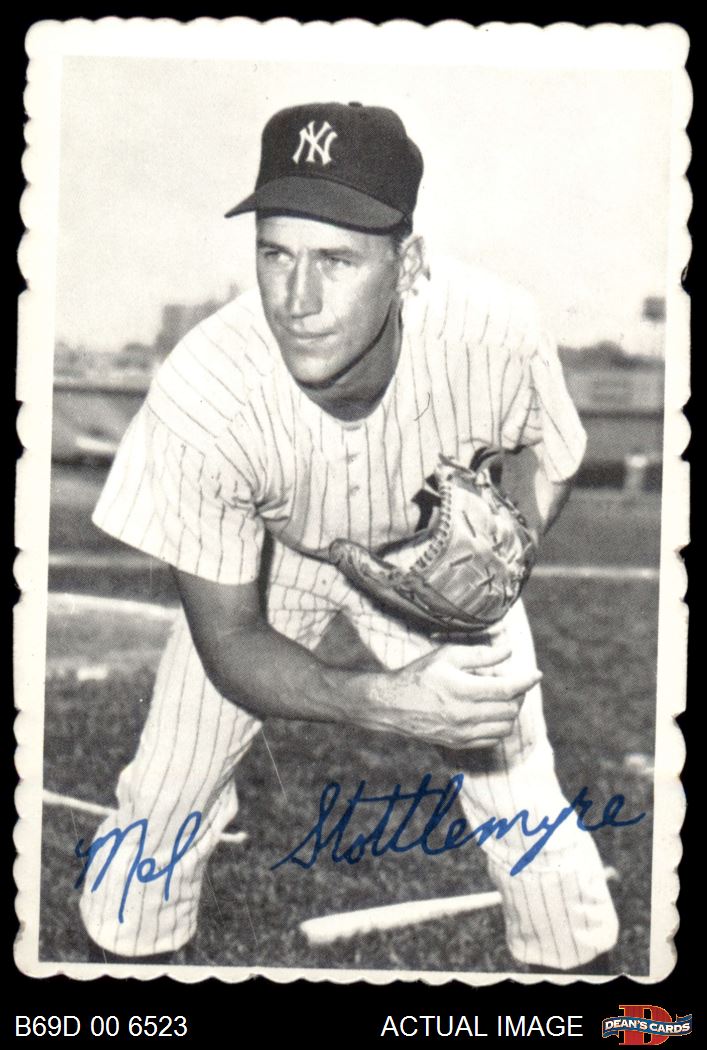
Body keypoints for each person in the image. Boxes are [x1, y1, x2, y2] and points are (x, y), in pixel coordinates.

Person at [79, 101, 618, 970]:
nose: (296, 299)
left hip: (426, 561)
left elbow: (542, 454)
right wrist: (378, 699)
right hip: (273, 560)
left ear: (407, 264)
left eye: (335, 259)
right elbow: (229, 644)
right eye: (275, 254)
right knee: (169, 783)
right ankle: (116, 968)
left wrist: (505, 553)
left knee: (516, 782)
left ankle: (590, 990)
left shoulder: (493, 330)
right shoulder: (204, 393)